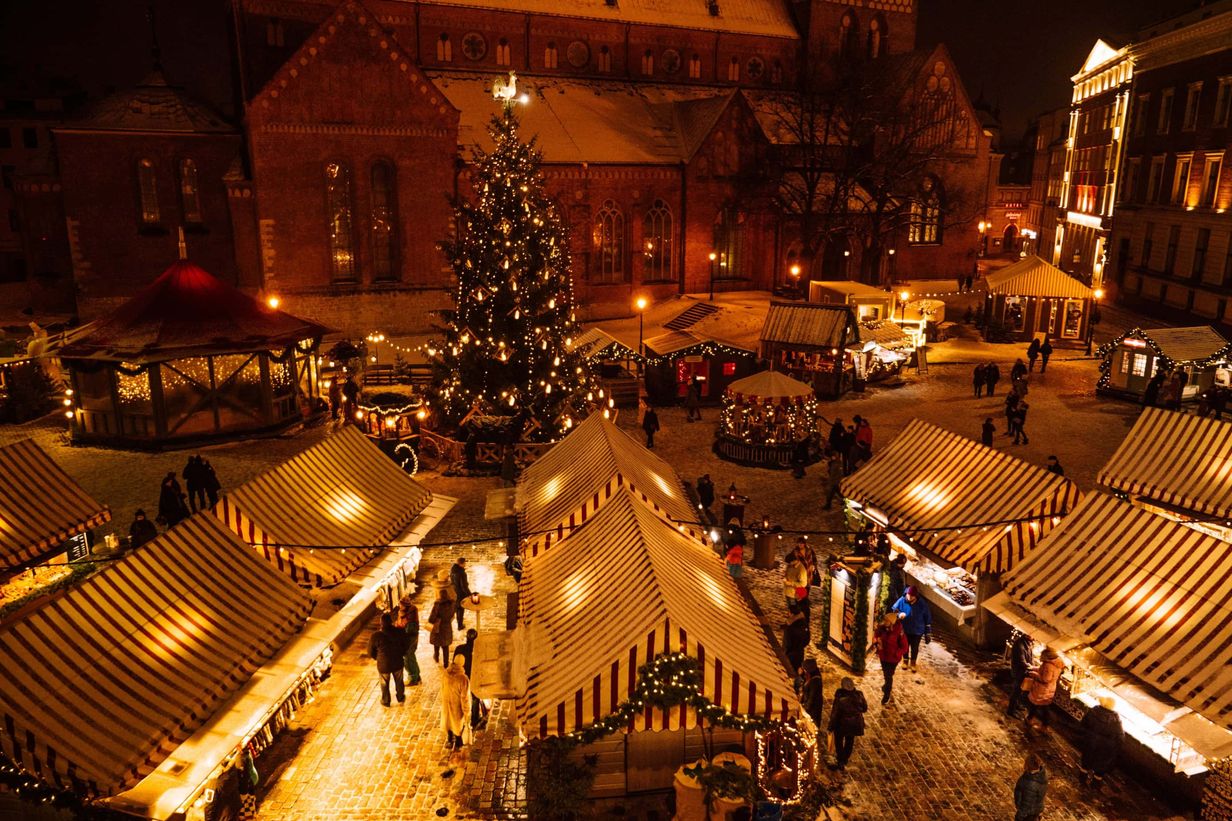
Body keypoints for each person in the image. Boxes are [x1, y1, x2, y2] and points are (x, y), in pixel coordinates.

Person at [1079, 696, 1124, 787]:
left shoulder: (1093, 711)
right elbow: (1120, 737)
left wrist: (1087, 736)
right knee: (1100, 766)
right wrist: (1116, 748)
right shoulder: (1115, 719)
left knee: (1086, 761)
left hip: (1090, 741)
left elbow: (1083, 723)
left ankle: (1082, 781)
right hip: (1105, 747)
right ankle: (1095, 785)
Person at [368, 612, 409, 707]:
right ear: (391, 622)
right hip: (397, 662)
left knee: (384, 684)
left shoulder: (376, 636)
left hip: (383, 664)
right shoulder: (399, 632)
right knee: (399, 681)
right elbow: (406, 644)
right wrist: (401, 653)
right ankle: (400, 697)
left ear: (381, 624)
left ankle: (386, 700)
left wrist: (378, 658)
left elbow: (370, 651)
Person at [827, 677, 867, 771]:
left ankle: (840, 759)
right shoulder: (859, 695)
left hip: (842, 725)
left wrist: (831, 726)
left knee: (839, 741)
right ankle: (845, 759)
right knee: (850, 741)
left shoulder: (840, 699)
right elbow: (864, 708)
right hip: (855, 724)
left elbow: (835, 714)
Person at [890, 587, 932, 671]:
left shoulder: (922, 604)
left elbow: (927, 618)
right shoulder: (902, 600)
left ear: (916, 596)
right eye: (908, 595)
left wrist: (928, 633)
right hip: (905, 629)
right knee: (904, 646)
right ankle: (905, 660)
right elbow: (894, 609)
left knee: (915, 647)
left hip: (917, 630)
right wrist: (899, 614)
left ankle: (913, 662)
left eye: (912, 596)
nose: (909, 597)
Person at [1024, 647, 1066, 731]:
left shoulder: (1048, 665)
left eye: (1042, 654)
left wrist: (1033, 674)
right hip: (1048, 689)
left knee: (1040, 706)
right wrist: (1033, 668)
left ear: (1047, 655)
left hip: (1042, 689)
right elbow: (1042, 671)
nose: (1040, 656)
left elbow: (1045, 679)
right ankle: (1033, 720)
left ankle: (1042, 725)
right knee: (1041, 706)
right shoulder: (1056, 663)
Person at [871, 612, 908, 705]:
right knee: (887, 674)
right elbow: (876, 634)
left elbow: (904, 647)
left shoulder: (899, 631)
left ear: (891, 622)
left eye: (886, 621)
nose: (884, 622)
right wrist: (876, 642)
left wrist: (896, 654)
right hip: (883, 656)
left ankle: (886, 695)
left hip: (893, 659)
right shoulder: (882, 627)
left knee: (888, 676)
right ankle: (887, 686)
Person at [441, 655, 472, 751]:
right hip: (456, 706)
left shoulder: (445, 673)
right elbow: (465, 698)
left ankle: (449, 739)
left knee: (448, 722)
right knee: (457, 724)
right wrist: (467, 712)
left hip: (446, 704)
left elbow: (442, 688)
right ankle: (458, 743)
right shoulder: (463, 678)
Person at [427, 572, 457, 666]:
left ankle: (436, 657)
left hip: (438, 628)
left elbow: (431, 618)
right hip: (447, 627)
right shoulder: (451, 604)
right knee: (445, 646)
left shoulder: (437, 605)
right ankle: (446, 663)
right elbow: (452, 614)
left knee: (436, 644)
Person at [394, 599, 421, 686]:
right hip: (406, 640)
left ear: (406, 606)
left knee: (408, 658)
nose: (399, 606)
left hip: (409, 640)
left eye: (401, 605)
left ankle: (413, 678)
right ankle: (416, 676)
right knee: (411, 657)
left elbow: (409, 630)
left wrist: (399, 626)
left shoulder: (410, 616)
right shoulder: (403, 613)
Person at [1014, 752, 1047, 821]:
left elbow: (1026, 805)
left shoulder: (1030, 785)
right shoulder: (1041, 775)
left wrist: (1019, 816)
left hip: (1028, 815)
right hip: (1035, 811)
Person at [1006, 632, 1034, 717]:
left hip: (1023, 672)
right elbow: (1022, 661)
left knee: (1020, 691)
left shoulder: (1028, 642)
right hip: (1019, 672)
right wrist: (1032, 667)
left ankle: (1016, 705)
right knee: (1016, 691)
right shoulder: (1020, 645)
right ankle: (1011, 710)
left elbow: (1030, 656)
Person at [782, 601, 809, 678]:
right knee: (798, 671)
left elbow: (787, 644)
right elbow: (807, 639)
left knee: (789, 673)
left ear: (792, 614)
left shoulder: (789, 627)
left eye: (789, 612)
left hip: (790, 655)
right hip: (800, 653)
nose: (788, 614)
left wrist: (785, 652)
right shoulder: (804, 624)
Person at [800, 659, 824, 726]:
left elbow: (812, 697)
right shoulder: (809, 675)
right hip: (810, 706)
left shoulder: (815, 681)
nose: (803, 670)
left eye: (804, 669)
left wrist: (805, 709)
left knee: (812, 725)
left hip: (813, 709)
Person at [450, 557, 471, 629]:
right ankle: (460, 625)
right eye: (464, 563)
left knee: (457, 608)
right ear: (461, 564)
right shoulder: (461, 573)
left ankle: (459, 623)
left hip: (454, 592)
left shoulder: (452, 570)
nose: (465, 564)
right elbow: (464, 586)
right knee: (461, 609)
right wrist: (469, 594)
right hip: (460, 594)